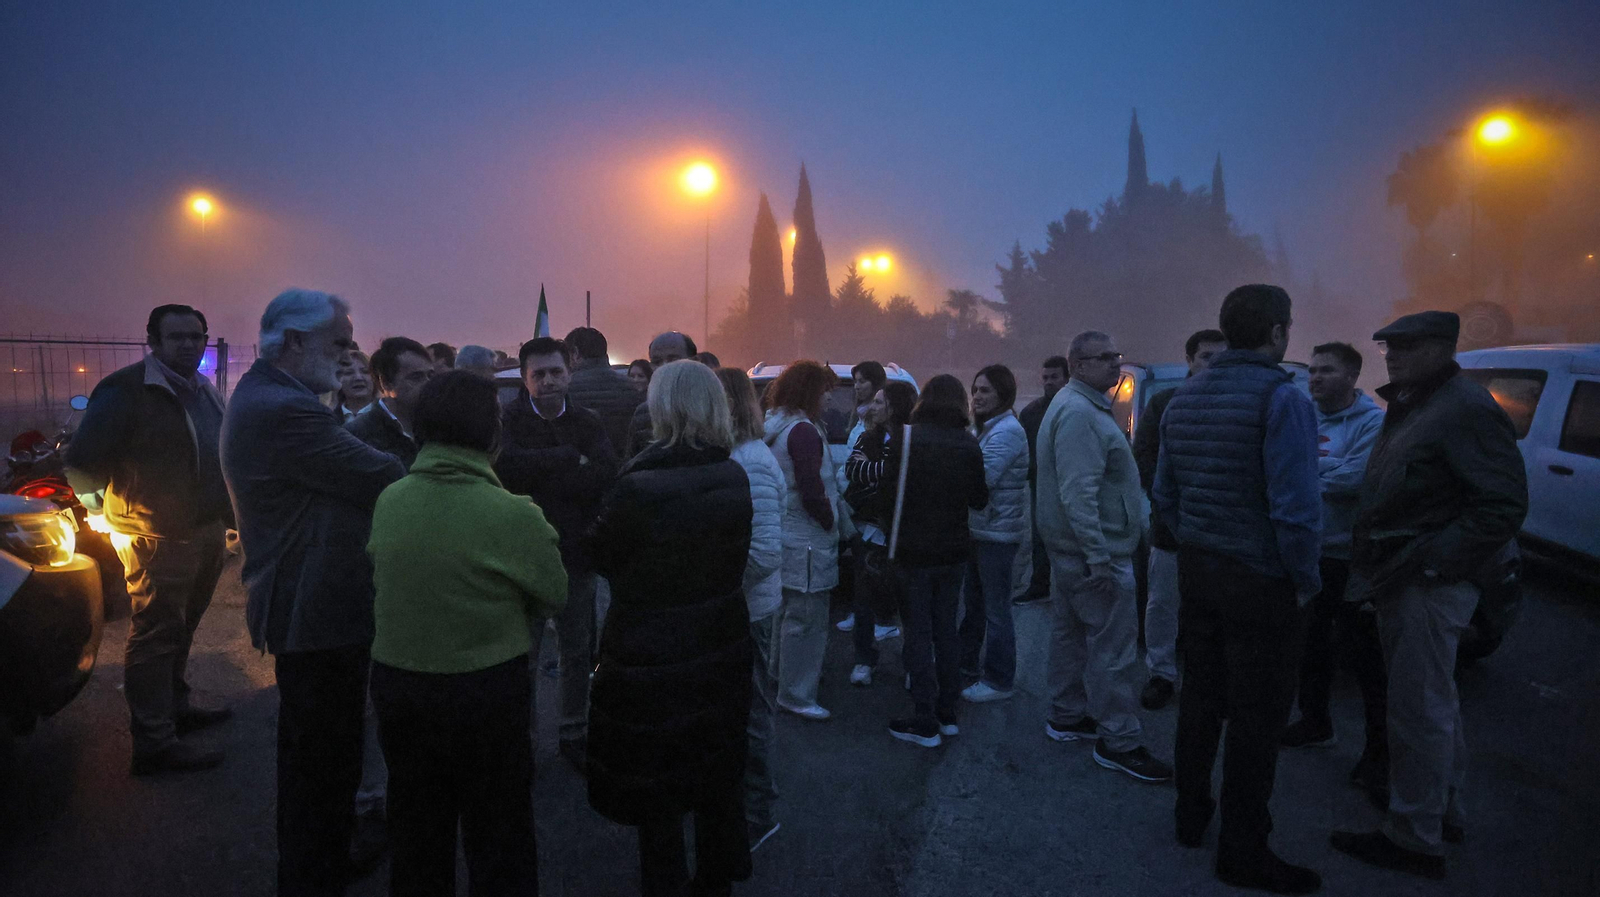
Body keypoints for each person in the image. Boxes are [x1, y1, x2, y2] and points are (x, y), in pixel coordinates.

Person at [221, 289, 407, 895]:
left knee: (321, 756)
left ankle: (319, 860)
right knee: (321, 761)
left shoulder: (276, 395)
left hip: (314, 601)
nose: (350, 352)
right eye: (340, 342)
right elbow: (382, 475)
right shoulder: (283, 409)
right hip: (312, 606)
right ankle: (312, 875)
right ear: (294, 342)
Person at [1331, 311, 1527, 880]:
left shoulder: (1463, 409)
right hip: (1406, 575)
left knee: (1417, 711)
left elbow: (1502, 506)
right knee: (1432, 704)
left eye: (1408, 347)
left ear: (1443, 348)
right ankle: (1443, 812)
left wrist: (1435, 564)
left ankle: (1413, 836)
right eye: (1389, 346)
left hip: (1426, 582)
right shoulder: (1418, 402)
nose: (1393, 355)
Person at [368, 371, 568, 897]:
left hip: (399, 684)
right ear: (491, 434)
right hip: (485, 690)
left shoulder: (391, 500)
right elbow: (554, 592)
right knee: (499, 832)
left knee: (415, 826)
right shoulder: (513, 514)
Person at [1153, 285, 1322, 894]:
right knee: (1256, 717)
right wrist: (1304, 581)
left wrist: (1198, 538)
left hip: (1200, 571)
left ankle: (1190, 815)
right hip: (1260, 580)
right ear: (1277, 332)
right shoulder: (1282, 398)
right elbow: (1297, 509)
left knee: (1201, 697)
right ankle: (1243, 849)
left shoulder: (1183, 397)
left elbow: (1164, 496)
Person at [587, 360, 754, 897]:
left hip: (650, 651)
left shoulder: (638, 484)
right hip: (720, 640)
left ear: (662, 406)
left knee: (658, 783)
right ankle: (717, 878)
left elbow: (603, 556)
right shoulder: (733, 473)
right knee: (714, 770)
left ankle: (665, 883)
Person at [64, 303, 234, 775]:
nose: (189, 344)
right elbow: (80, 464)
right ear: (153, 342)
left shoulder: (203, 389)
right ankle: (154, 742)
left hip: (204, 531)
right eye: (176, 337)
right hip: (154, 536)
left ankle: (175, 711)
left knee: (182, 629)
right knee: (156, 634)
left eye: (196, 336)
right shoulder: (126, 389)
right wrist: (105, 512)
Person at [1038, 332, 1173, 783]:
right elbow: (1079, 493)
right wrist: (1099, 557)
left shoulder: (1079, 406)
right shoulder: (1080, 414)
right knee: (1114, 650)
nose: (1115, 364)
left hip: (1073, 552)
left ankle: (1067, 714)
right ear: (1078, 365)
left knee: (1070, 635)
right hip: (1096, 555)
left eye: (1117, 355)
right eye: (1104, 358)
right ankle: (1119, 741)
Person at [494, 336, 619, 773]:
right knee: (521, 655)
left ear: (570, 373)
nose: (548, 381)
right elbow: (506, 471)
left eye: (555, 372)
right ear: (525, 379)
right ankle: (521, 739)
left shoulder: (587, 419)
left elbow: (606, 473)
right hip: (521, 557)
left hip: (576, 553)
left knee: (576, 651)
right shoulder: (507, 420)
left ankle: (573, 731)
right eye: (538, 374)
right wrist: (569, 458)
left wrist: (543, 472)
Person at [1283, 342, 1389, 808]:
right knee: (1311, 644)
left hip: (1353, 556)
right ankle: (1314, 723)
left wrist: (1310, 474)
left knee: (1367, 658)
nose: (1315, 378)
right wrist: (1322, 472)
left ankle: (1378, 753)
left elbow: (1357, 481)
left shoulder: (1373, 423)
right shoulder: (1304, 416)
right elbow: (1285, 468)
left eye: (1326, 371)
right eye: (1312, 370)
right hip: (1312, 551)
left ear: (1352, 376)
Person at [878, 375, 988, 747]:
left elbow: (888, 494)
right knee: (946, 629)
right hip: (954, 551)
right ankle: (948, 712)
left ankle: (923, 718)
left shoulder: (906, 439)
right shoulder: (969, 444)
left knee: (918, 633)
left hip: (911, 551)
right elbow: (979, 500)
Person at [1130, 329, 1227, 711]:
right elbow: (1145, 458)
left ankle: (1211, 678)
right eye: (1206, 357)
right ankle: (1162, 674)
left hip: (1222, 529)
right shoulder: (1165, 403)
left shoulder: (1238, 404)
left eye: (1222, 357)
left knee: (1216, 607)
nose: (1213, 365)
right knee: (1163, 604)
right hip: (1172, 525)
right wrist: (1172, 502)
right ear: (1189, 360)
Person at [715, 367, 785, 853]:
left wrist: (712, 587)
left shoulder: (752, 461)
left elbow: (763, 555)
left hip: (749, 610)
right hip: (735, 607)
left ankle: (758, 815)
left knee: (752, 713)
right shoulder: (733, 455)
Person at [761, 360, 840, 721]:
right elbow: (812, 489)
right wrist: (828, 520)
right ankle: (798, 694)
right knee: (807, 621)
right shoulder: (804, 432)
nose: (828, 398)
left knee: (786, 617)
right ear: (810, 390)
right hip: (808, 541)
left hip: (787, 536)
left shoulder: (776, 425)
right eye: (824, 390)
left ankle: (780, 679)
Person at [959, 364, 1030, 703]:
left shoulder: (1007, 432)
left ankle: (1000, 679)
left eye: (985, 390)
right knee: (974, 605)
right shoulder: (984, 429)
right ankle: (966, 667)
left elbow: (979, 478)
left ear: (1004, 394)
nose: (977, 396)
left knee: (997, 610)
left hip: (997, 536)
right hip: (980, 531)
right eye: (975, 389)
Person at [842, 381, 917, 686]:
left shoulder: (913, 439)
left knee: (910, 605)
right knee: (863, 600)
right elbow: (853, 470)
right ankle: (864, 660)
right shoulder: (867, 437)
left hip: (905, 534)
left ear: (894, 407)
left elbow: (911, 479)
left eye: (878, 402)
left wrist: (881, 473)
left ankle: (914, 664)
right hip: (870, 533)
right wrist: (888, 471)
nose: (871, 407)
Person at [1016, 355, 1069, 604]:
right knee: (1040, 536)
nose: (1049, 382)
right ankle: (1040, 584)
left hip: (1071, 482)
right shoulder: (1030, 413)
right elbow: (1024, 451)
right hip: (1041, 483)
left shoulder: (1075, 408)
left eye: (1054, 377)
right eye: (1045, 377)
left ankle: (1068, 588)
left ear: (1066, 378)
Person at [348, 336, 434, 471]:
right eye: (416, 377)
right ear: (386, 383)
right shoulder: (357, 437)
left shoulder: (440, 428)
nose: (428, 384)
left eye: (431, 375)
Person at [566, 326, 644, 459]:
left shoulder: (566, 388)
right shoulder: (631, 387)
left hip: (582, 467)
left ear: (575, 353)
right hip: (624, 467)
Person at [627, 332, 698, 456]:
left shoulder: (709, 406)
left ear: (695, 361)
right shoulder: (643, 412)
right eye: (657, 361)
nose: (665, 366)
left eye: (673, 359)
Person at [335, 350, 376, 422]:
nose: (358, 378)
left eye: (365, 371)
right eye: (349, 373)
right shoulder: (328, 420)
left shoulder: (390, 416)